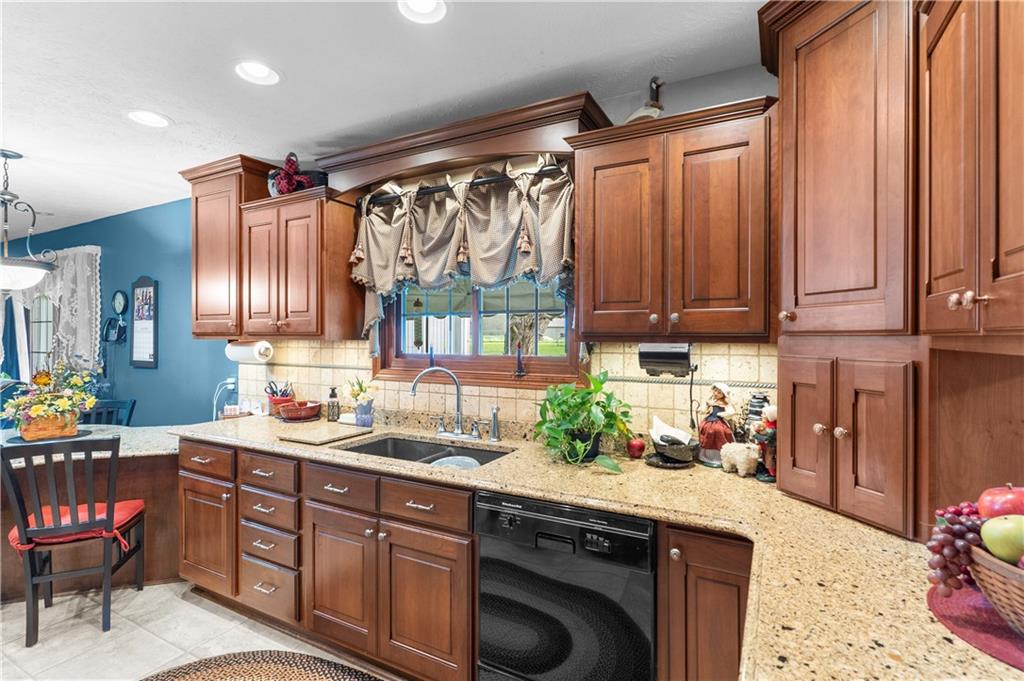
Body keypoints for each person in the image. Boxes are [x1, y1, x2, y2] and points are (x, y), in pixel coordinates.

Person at [698, 382, 735, 465]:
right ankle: (707, 456)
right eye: (715, 391)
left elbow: (731, 412)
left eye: (719, 392)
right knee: (706, 429)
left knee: (720, 431)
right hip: (710, 419)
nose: (716, 393)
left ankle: (719, 457)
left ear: (724, 394)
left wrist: (722, 414)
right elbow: (705, 409)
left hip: (719, 420)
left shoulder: (724, 403)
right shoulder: (711, 400)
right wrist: (702, 409)